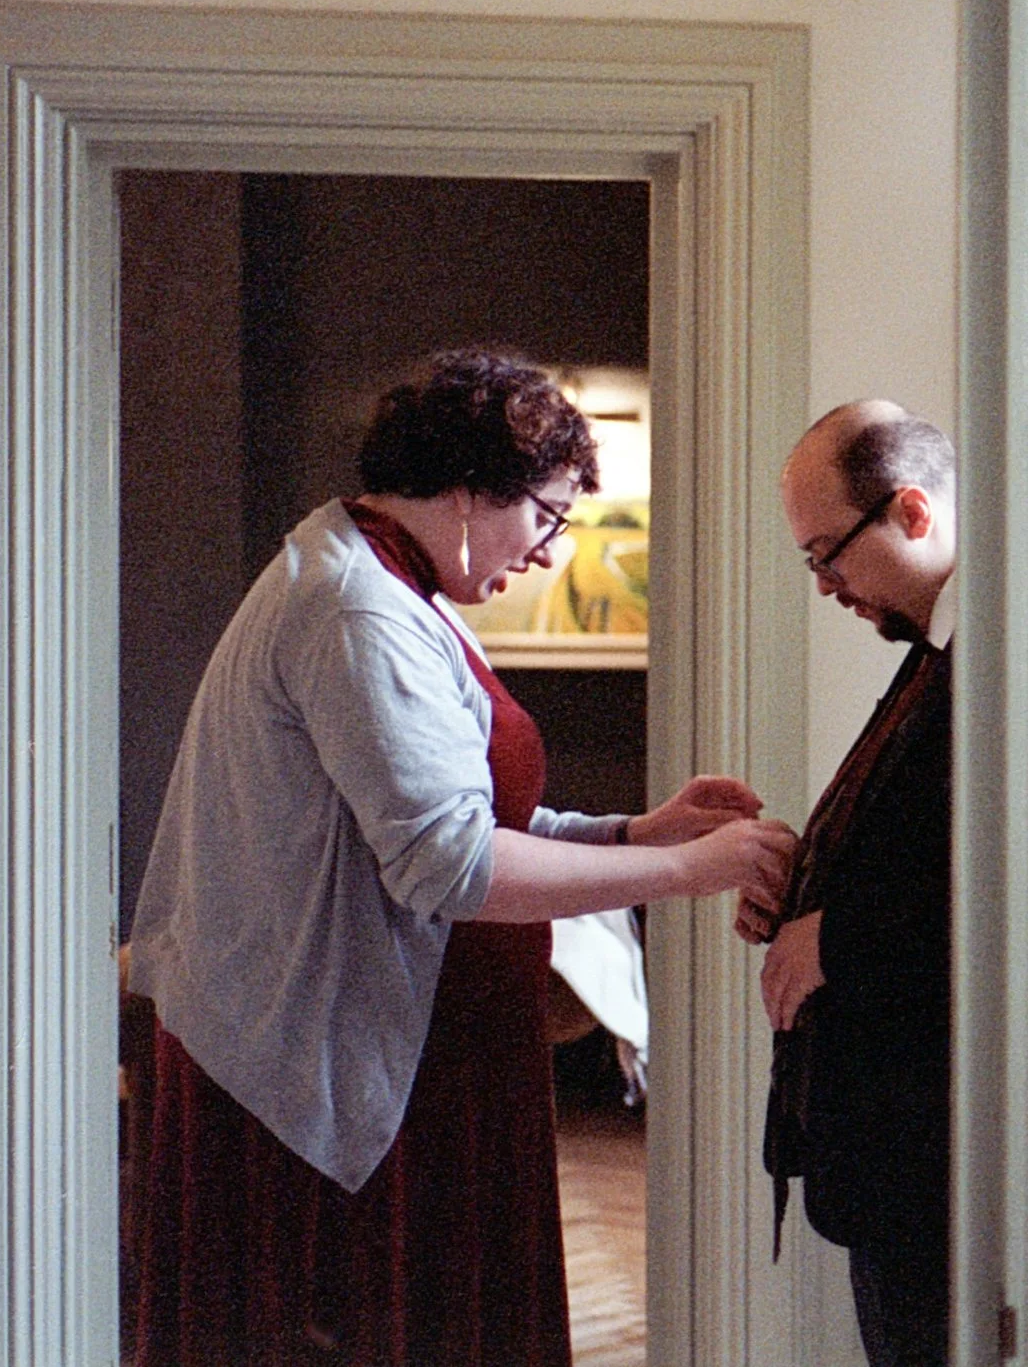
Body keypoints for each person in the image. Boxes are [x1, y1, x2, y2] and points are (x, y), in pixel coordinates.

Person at [126, 347, 797, 1367]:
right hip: (322, 1073)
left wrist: (634, 832)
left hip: (395, 1051)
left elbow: (451, 819)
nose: (549, 552)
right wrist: (688, 872)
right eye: (548, 515)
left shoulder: (378, 581)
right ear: (475, 490)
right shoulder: (359, 608)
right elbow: (450, 867)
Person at [743, 400, 957, 1367]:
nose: (826, 584)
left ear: (912, 512)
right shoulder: (939, 649)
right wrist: (803, 886)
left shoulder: (999, 656)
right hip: (894, 1152)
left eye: (830, 552)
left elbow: (996, 891)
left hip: (934, 1158)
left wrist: (837, 935)